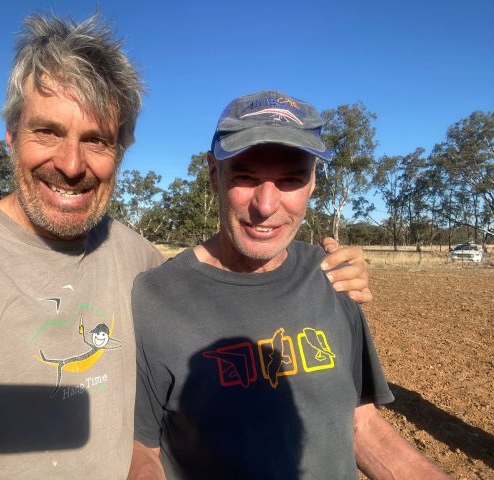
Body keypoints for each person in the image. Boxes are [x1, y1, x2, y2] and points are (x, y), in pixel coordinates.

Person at [0, 16, 369, 480]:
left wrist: (327, 271)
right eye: (47, 132)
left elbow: (228, 313)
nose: (71, 164)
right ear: (11, 137)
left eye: (97, 140)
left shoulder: (137, 261)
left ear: (120, 152)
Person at [129, 90, 450, 479]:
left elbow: (358, 422)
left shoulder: (333, 275)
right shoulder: (155, 298)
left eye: (291, 180)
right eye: (245, 176)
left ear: (312, 182)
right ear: (214, 174)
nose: (266, 206)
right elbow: (141, 447)